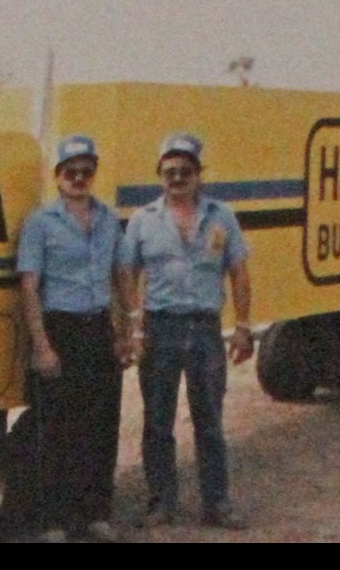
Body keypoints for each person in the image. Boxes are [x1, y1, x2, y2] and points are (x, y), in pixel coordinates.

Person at [119, 133, 254, 531]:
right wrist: (133, 322)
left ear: (199, 175)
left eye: (185, 171)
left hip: (206, 330)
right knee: (158, 422)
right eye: (170, 171)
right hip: (160, 329)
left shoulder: (222, 216)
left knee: (209, 420)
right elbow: (127, 272)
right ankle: (161, 502)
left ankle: (217, 503)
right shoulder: (143, 220)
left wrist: (243, 327)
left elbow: (239, 272)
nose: (177, 177)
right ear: (159, 175)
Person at [17, 135, 131, 543]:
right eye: (71, 172)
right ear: (58, 176)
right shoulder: (40, 224)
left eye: (86, 171)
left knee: (100, 426)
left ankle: (96, 513)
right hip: (59, 329)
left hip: (98, 328)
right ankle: (53, 520)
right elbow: (29, 287)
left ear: (94, 173)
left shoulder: (108, 219)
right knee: (56, 430)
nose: (79, 178)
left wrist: (126, 331)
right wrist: (42, 346)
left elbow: (122, 277)